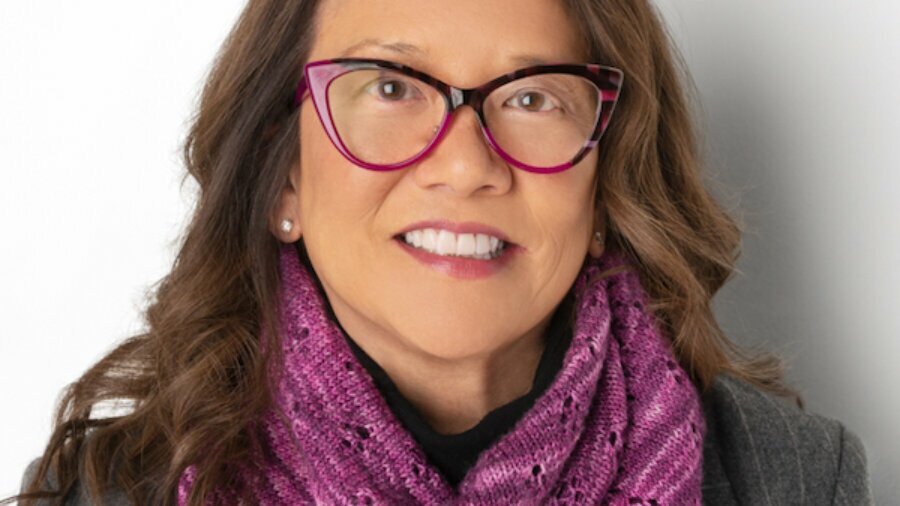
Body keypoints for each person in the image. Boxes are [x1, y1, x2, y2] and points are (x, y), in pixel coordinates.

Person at [7, 0, 873, 504]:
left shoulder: (794, 478)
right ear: (284, 182)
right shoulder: (99, 492)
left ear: (607, 188)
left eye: (533, 97)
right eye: (390, 87)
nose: (464, 165)